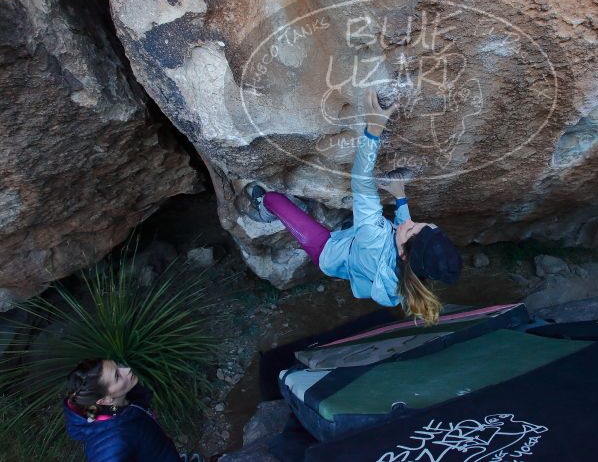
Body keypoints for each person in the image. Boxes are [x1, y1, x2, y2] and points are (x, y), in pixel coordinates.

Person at [244, 89, 462, 325]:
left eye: (411, 229)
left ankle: (262, 208)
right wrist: (401, 199)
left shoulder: (375, 238)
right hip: (359, 259)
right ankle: (349, 231)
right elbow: (403, 235)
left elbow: (361, 179)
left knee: (275, 199)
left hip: (328, 253)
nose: (410, 222)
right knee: (358, 228)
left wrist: (374, 131)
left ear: (403, 254)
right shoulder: (412, 273)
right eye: (420, 224)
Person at [63, 358, 192, 462]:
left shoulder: (102, 408)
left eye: (117, 365)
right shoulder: (112, 445)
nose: (127, 369)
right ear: (105, 400)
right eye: (117, 376)